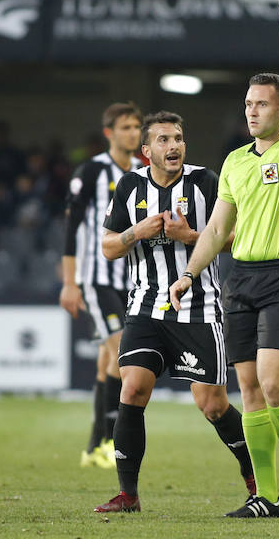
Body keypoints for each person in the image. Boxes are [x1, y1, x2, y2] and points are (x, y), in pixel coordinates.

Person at [168, 0, 279, 519]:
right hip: (241, 279)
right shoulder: (234, 162)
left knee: (275, 385)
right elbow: (214, 229)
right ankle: (264, 497)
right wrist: (189, 273)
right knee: (249, 390)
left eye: (262, 103)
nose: (252, 110)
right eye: (248, 103)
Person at [93, 111, 255, 514]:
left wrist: (190, 236)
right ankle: (128, 495)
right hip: (146, 306)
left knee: (213, 405)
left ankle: (257, 483)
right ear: (146, 151)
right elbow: (109, 246)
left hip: (199, 307)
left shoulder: (206, 182)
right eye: (164, 140)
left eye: (179, 138)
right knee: (132, 389)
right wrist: (137, 232)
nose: (174, 146)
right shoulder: (130, 186)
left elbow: (237, 237)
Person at [60, 102, 143, 469]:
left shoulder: (144, 171)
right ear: (110, 133)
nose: (133, 133)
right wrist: (69, 283)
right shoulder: (92, 171)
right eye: (125, 127)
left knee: (107, 362)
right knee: (122, 353)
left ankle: (95, 446)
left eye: (136, 127)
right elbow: (71, 228)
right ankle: (108, 440)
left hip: (133, 281)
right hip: (96, 279)